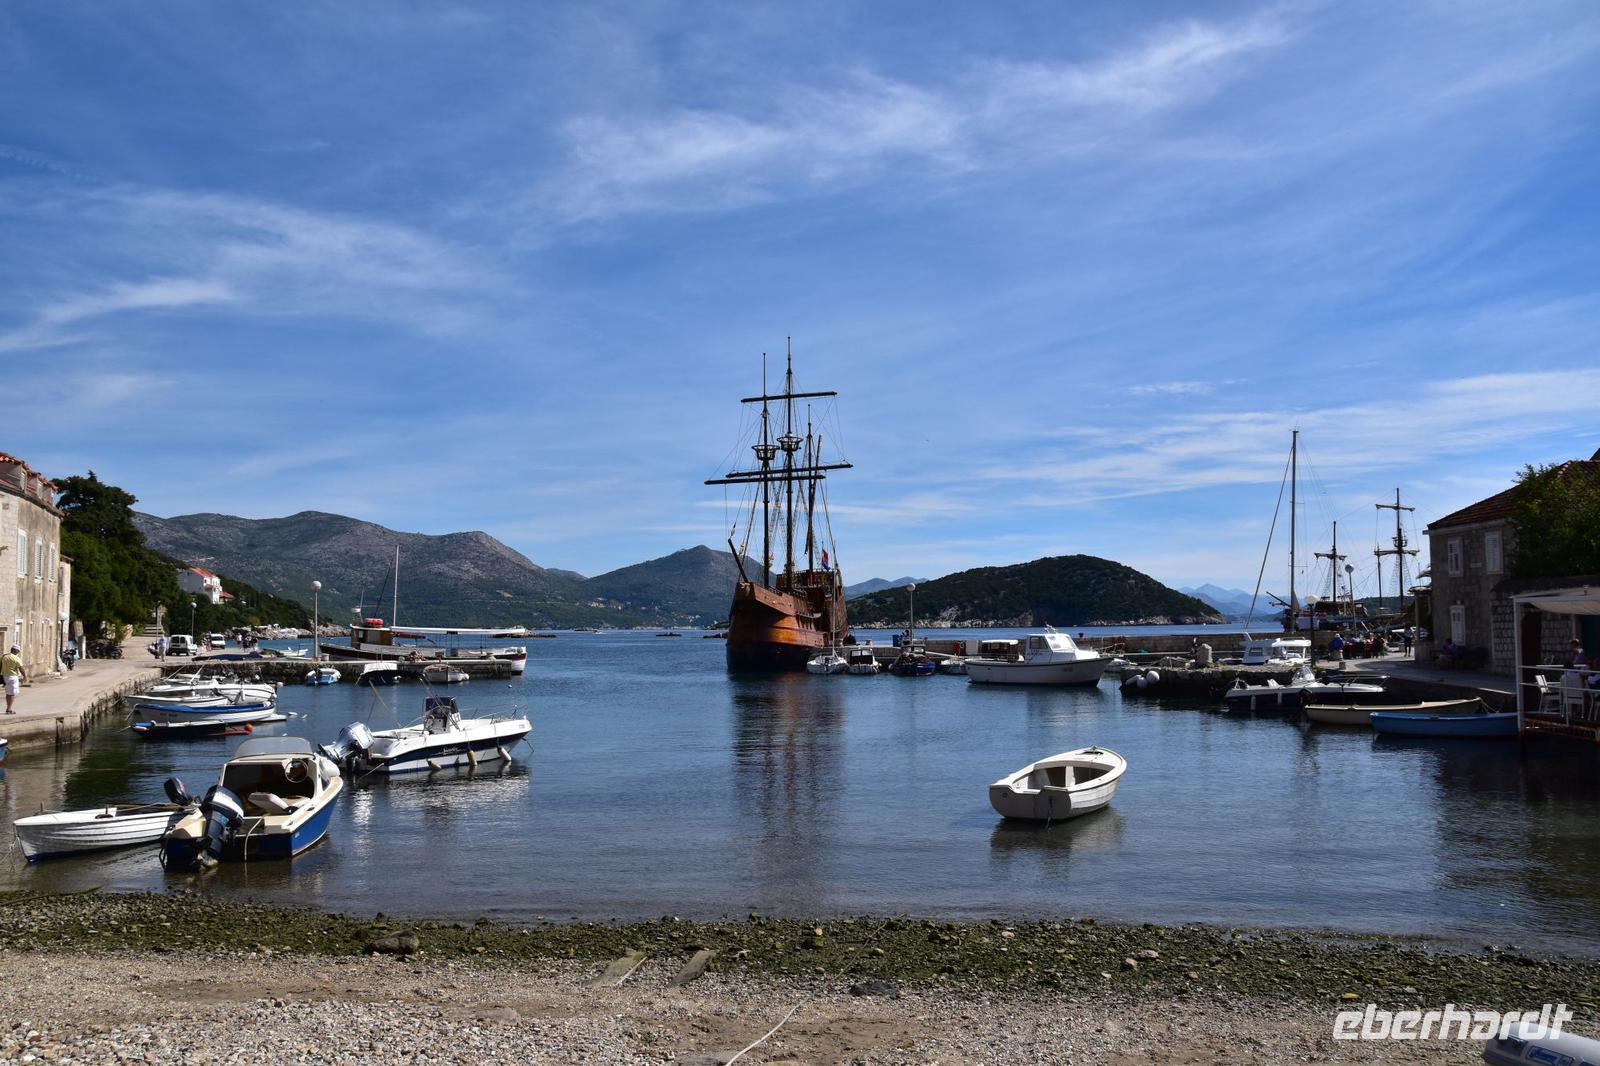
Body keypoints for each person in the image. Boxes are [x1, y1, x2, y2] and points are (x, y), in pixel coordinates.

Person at [2, 644, 26, 714]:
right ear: (15, 650)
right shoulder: (16, 658)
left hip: (5, 677)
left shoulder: (4, 656)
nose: (18, 652)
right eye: (18, 651)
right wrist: (25, 676)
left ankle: (8, 707)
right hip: (12, 677)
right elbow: (21, 668)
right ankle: (9, 709)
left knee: (8, 693)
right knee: (12, 693)